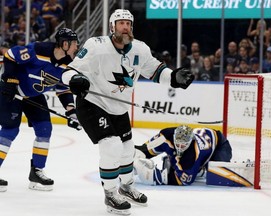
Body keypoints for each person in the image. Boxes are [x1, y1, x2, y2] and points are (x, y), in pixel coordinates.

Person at [61, 9, 194, 215]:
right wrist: (74, 80)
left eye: (128, 23)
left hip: (118, 107)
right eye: (121, 23)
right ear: (112, 26)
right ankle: (110, 193)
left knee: (127, 149)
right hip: (92, 103)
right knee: (111, 145)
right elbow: (70, 70)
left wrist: (175, 77)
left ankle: (126, 186)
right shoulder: (96, 46)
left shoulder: (140, 49)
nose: (125, 27)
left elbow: (156, 71)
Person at [0, 28, 81, 192]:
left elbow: (63, 88)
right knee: (10, 130)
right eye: (74, 44)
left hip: (34, 96)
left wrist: (71, 109)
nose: (76, 48)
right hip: (12, 91)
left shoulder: (68, 64)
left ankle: (36, 171)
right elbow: (10, 56)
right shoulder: (39, 50)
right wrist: (10, 79)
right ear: (64, 44)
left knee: (45, 129)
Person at [133, 125, 232, 186]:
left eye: (183, 144)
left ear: (190, 141)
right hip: (203, 144)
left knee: (218, 175)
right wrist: (134, 156)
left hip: (219, 146)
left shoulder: (193, 153)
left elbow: (185, 180)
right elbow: (147, 149)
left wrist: (155, 177)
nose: (179, 147)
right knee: (176, 166)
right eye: (178, 143)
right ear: (174, 137)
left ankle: (200, 170)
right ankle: (197, 169)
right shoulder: (165, 137)